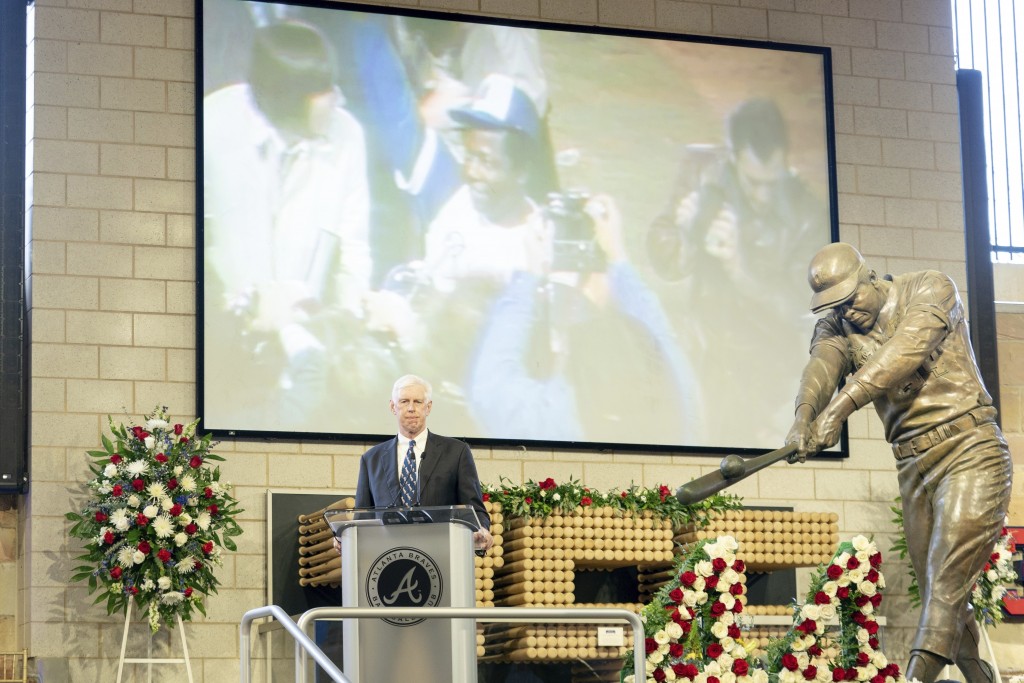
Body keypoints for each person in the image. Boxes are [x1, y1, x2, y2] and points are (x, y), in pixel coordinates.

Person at [786, 243, 1013, 683]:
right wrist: (804, 417)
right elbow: (821, 367)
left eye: (851, 298)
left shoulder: (930, 288)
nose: (847, 312)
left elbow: (905, 352)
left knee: (944, 582)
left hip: (970, 449)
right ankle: (979, 676)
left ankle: (914, 678)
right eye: (836, 305)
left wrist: (838, 411)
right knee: (940, 592)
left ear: (870, 277)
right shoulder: (836, 325)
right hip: (913, 467)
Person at [203, 20, 371, 430]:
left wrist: (342, 329)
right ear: (286, 95)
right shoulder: (214, 123)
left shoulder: (348, 135)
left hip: (306, 346)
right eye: (323, 90)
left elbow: (355, 250)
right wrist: (241, 314)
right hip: (226, 347)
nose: (337, 98)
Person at [647, 98, 827, 443]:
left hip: (767, 373)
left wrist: (738, 267)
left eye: (772, 182)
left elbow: (799, 307)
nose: (763, 195)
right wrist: (687, 234)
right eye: (753, 182)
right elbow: (664, 263)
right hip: (703, 353)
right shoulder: (703, 175)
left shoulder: (808, 215)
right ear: (733, 157)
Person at [355, 375, 493, 551]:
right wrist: (347, 538)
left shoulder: (456, 452)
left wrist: (481, 530)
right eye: (404, 401)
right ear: (392, 407)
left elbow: (475, 510)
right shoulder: (371, 459)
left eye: (418, 402)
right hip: (386, 555)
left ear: (428, 407)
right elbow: (361, 517)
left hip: (441, 553)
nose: (411, 408)